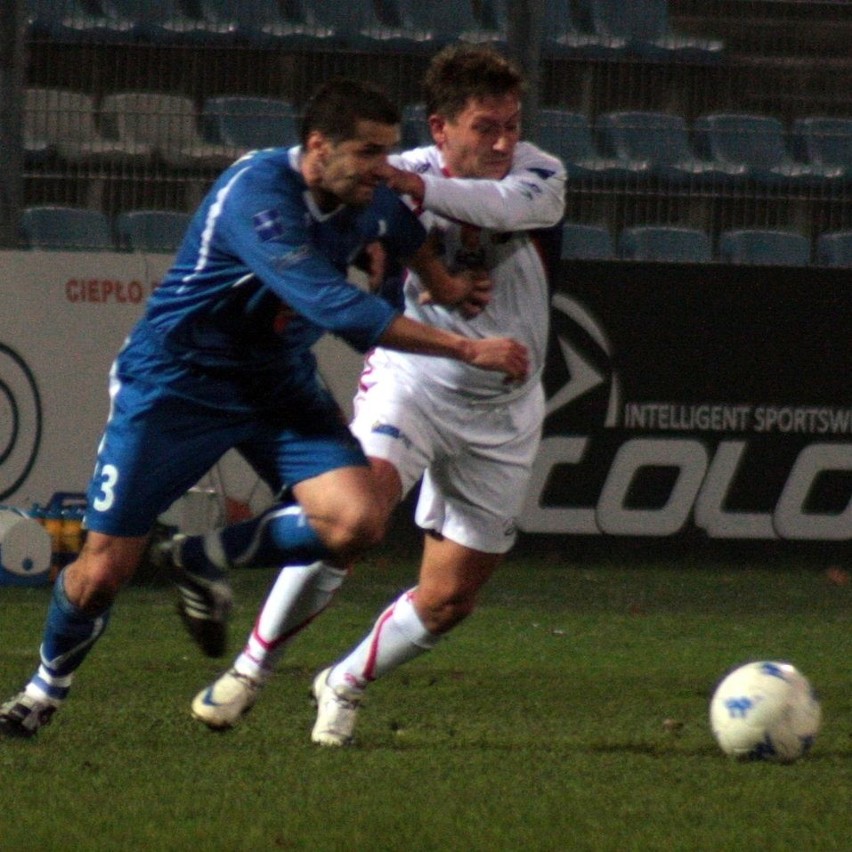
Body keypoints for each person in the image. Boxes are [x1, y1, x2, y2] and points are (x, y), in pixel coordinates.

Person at [0, 77, 529, 739]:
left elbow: (403, 230)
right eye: (369, 152)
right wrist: (466, 348)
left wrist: (444, 282)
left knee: (358, 522)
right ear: (317, 148)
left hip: (277, 384)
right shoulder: (258, 196)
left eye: (389, 152)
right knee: (102, 572)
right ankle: (43, 690)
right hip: (177, 385)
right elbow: (337, 309)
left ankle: (201, 555)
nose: (384, 168)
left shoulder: (368, 198)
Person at [187, 45, 567, 745]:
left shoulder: (539, 173)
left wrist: (406, 189)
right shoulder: (386, 176)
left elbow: (506, 205)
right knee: (353, 521)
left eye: (512, 125)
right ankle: (250, 668)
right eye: (486, 127)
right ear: (441, 126)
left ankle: (344, 681)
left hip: (505, 407)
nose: (504, 142)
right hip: (411, 384)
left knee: (451, 598)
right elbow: (325, 217)